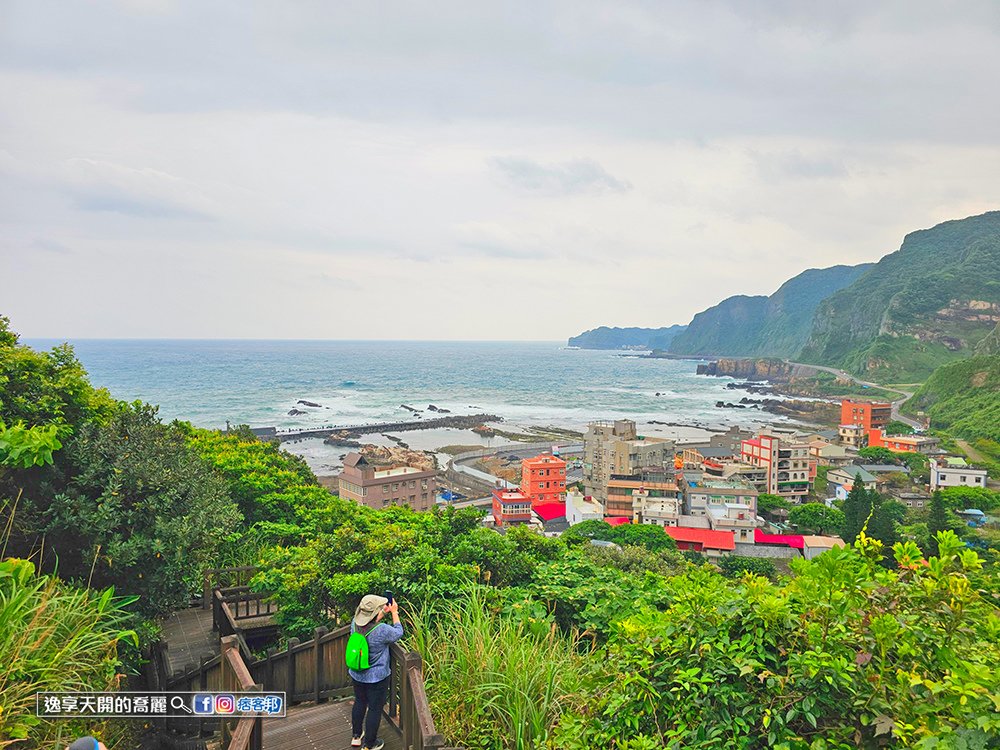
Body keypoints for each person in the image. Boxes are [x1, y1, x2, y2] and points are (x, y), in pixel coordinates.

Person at [349, 594, 403, 750]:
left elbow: (367, 624)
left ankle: (356, 736)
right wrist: (394, 612)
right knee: (374, 708)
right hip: (376, 678)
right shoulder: (382, 630)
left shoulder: (354, 624)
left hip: (357, 673)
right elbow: (398, 632)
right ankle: (370, 744)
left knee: (359, 702)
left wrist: (381, 613)